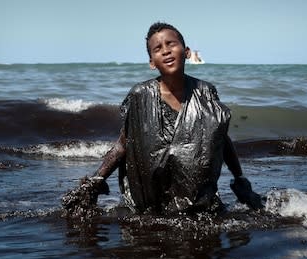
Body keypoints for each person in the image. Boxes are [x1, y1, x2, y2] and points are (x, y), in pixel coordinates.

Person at [62, 22, 262, 217]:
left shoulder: (206, 92)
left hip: (199, 204)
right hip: (152, 205)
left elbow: (220, 139)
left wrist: (240, 178)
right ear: (152, 62)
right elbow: (124, 143)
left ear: (187, 52)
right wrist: (96, 180)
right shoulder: (140, 95)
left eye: (171, 44)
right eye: (158, 48)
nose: (166, 51)